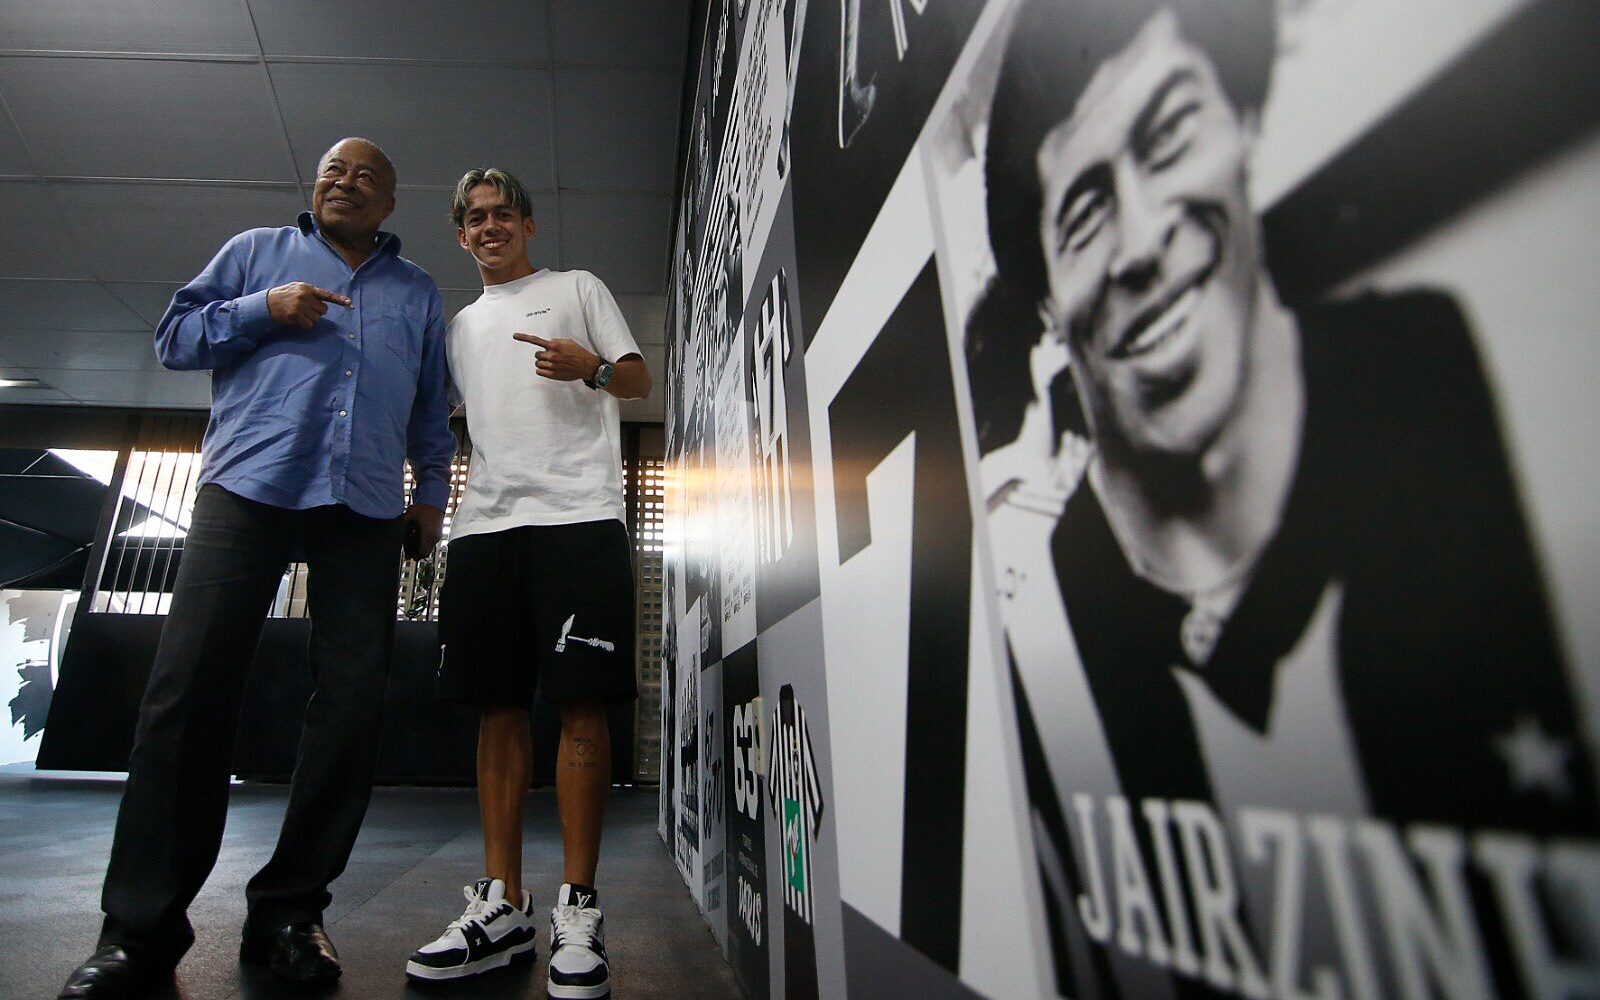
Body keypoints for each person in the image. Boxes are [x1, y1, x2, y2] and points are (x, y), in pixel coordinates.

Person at [981, 1, 1599, 995]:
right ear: (1048, 299)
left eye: (1171, 131)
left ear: (1246, 123)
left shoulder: (1436, 381)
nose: (1141, 242)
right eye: (1085, 213)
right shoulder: (1049, 611)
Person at [58, 137, 455, 998]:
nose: (345, 183)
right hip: (248, 487)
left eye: (366, 178)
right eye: (333, 172)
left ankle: (289, 913)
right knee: (187, 694)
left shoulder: (418, 291)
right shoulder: (252, 254)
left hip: (364, 507)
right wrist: (263, 310)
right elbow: (175, 339)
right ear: (315, 187)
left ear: (391, 205)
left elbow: (432, 406)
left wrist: (430, 497)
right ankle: (139, 934)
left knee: (352, 707)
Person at [405, 168, 650, 998]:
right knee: (497, 708)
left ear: (528, 225)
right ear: (461, 235)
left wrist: (592, 368)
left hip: (579, 518)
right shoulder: (461, 327)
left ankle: (578, 910)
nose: (489, 226)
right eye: (474, 218)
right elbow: (437, 426)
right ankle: (501, 904)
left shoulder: (578, 286)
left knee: (582, 703)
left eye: (502, 213)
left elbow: (639, 380)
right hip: (485, 532)